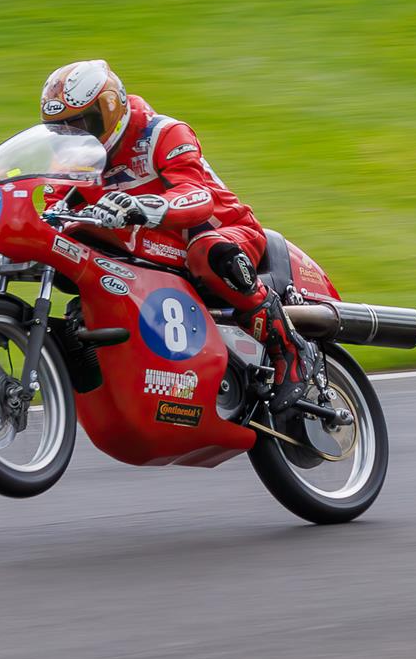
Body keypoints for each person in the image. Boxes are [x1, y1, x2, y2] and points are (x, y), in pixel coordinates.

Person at [40, 59, 319, 414]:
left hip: (222, 231)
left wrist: (141, 206)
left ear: (109, 108)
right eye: (61, 129)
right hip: (150, 248)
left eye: (80, 123)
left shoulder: (162, 133)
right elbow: (53, 211)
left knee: (206, 251)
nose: (72, 136)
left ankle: (289, 348)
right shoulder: (71, 163)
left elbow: (197, 196)